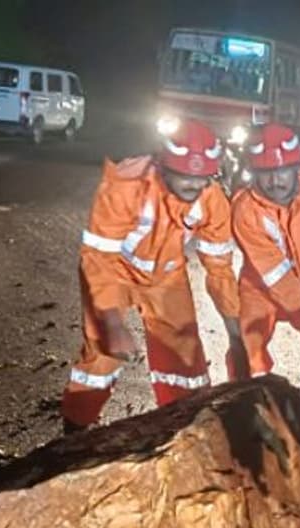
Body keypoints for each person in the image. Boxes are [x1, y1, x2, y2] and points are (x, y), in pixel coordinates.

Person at [61, 118, 242, 432]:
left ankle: (181, 430)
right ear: (163, 166)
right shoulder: (124, 186)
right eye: (186, 177)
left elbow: (219, 269)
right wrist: (113, 323)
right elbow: (98, 259)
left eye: (203, 178)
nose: (195, 186)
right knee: (102, 357)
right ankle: (73, 431)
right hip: (114, 271)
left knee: (185, 359)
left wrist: (236, 333)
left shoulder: (212, 200)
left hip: (166, 277)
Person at [230, 123, 300, 376]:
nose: (274, 181)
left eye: (282, 172)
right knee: (249, 350)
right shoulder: (245, 210)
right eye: (265, 173)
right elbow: (279, 279)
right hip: (261, 284)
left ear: (298, 169)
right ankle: (248, 402)